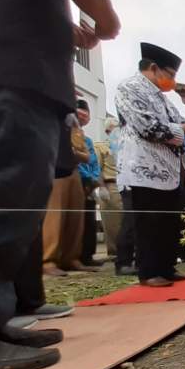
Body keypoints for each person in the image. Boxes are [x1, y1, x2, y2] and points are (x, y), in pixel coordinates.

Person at [0, 0, 119, 369]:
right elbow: (105, 17)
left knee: (17, 207)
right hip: (17, 83)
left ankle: (3, 318)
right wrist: (101, 20)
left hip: (26, 83)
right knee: (8, 203)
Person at [116, 43, 185, 287]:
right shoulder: (129, 88)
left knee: (169, 221)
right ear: (154, 68)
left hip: (168, 169)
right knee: (150, 221)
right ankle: (149, 271)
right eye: (172, 74)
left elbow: (180, 121)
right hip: (143, 166)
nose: (173, 80)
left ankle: (166, 267)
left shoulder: (160, 96)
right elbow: (147, 127)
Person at [42, 111, 92, 275]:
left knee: (76, 216)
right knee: (54, 217)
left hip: (73, 169)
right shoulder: (49, 114)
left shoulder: (74, 122)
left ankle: (71, 257)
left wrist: (76, 153)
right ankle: (48, 260)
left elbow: (85, 154)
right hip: (54, 168)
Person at [76, 99, 104, 267]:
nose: (83, 115)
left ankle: (88, 255)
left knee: (89, 218)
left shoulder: (87, 140)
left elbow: (93, 161)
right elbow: (77, 161)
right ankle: (75, 255)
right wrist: (86, 178)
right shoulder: (68, 133)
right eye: (79, 112)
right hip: (79, 180)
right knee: (77, 218)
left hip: (90, 183)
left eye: (86, 113)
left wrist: (94, 179)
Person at [95, 116, 124, 258]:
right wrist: (102, 187)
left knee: (127, 222)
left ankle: (127, 252)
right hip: (110, 184)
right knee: (113, 223)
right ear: (107, 131)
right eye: (112, 130)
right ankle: (114, 253)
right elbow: (97, 168)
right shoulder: (100, 146)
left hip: (126, 185)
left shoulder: (124, 145)